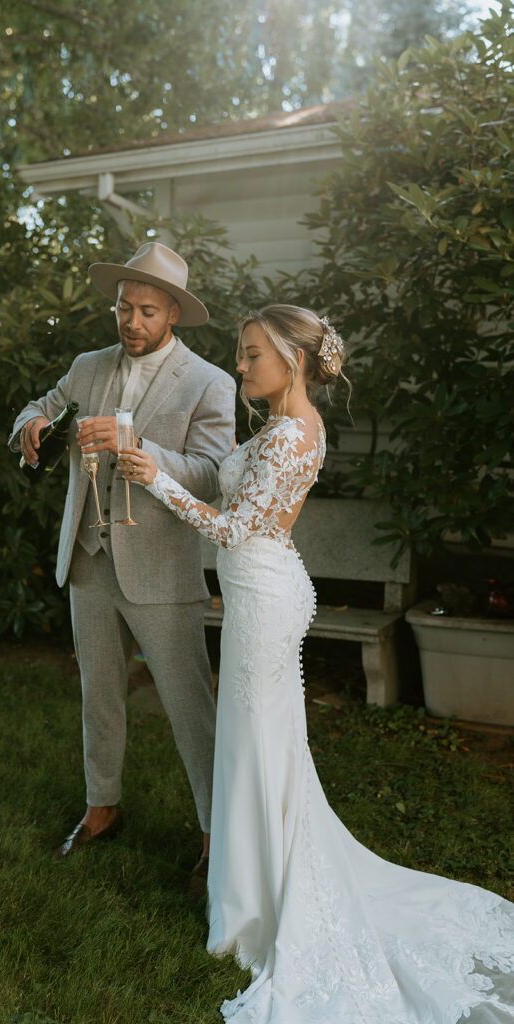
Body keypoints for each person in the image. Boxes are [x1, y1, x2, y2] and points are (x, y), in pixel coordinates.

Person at [120, 304, 514, 1023]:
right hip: (261, 592)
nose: (240, 367)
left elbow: (235, 531)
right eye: (239, 356)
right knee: (258, 747)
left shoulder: (293, 433)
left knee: (259, 747)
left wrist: (153, 479)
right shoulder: (277, 427)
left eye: (249, 355)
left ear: (292, 360)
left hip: (265, 600)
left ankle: (261, 901)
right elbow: (243, 507)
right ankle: (250, 885)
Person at [8, 242, 235, 877]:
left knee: (189, 704)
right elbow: (38, 409)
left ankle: (218, 836)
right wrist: (28, 429)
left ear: (173, 315)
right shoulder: (87, 366)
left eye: (147, 313)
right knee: (98, 692)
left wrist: (144, 449)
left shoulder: (209, 382)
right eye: (123, 308)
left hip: (160, 569)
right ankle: (101, 806)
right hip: (88, 559)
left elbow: (214, 475)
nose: (132, 323)